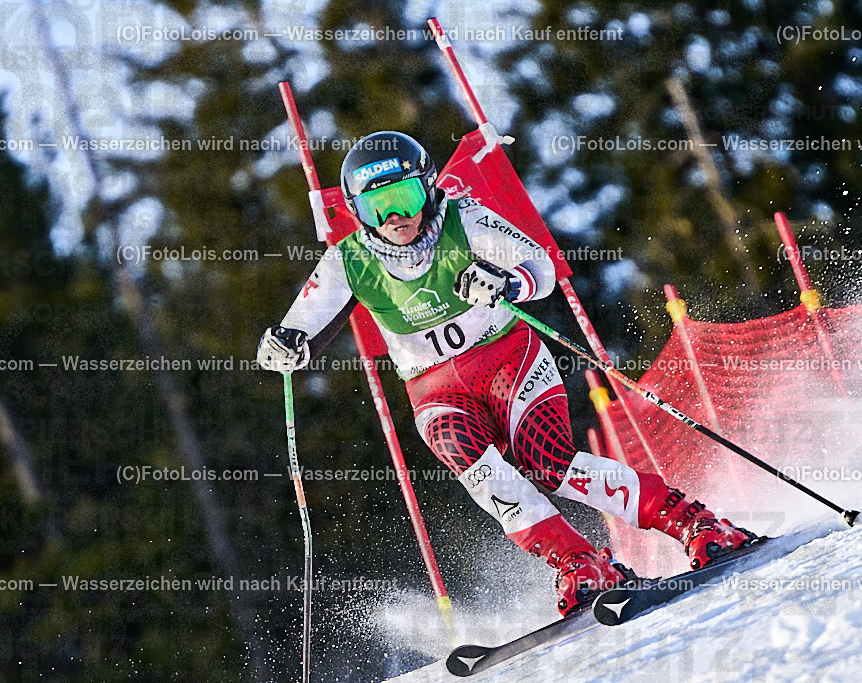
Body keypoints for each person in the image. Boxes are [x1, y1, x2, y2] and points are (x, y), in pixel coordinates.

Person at [257, 131, 754, 615]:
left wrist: (506, 281)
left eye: (405, 197)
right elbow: (295, 333)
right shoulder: (347, 261)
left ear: (427, 187)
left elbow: (537, 266)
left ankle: (697, 524)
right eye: (376, 208)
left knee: (549, 463)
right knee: (482, 472)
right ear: (357, 213)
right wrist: (280, 347)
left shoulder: (464, 217)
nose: (396, 217)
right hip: (434, 391)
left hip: (507, 361)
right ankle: (580, 563)